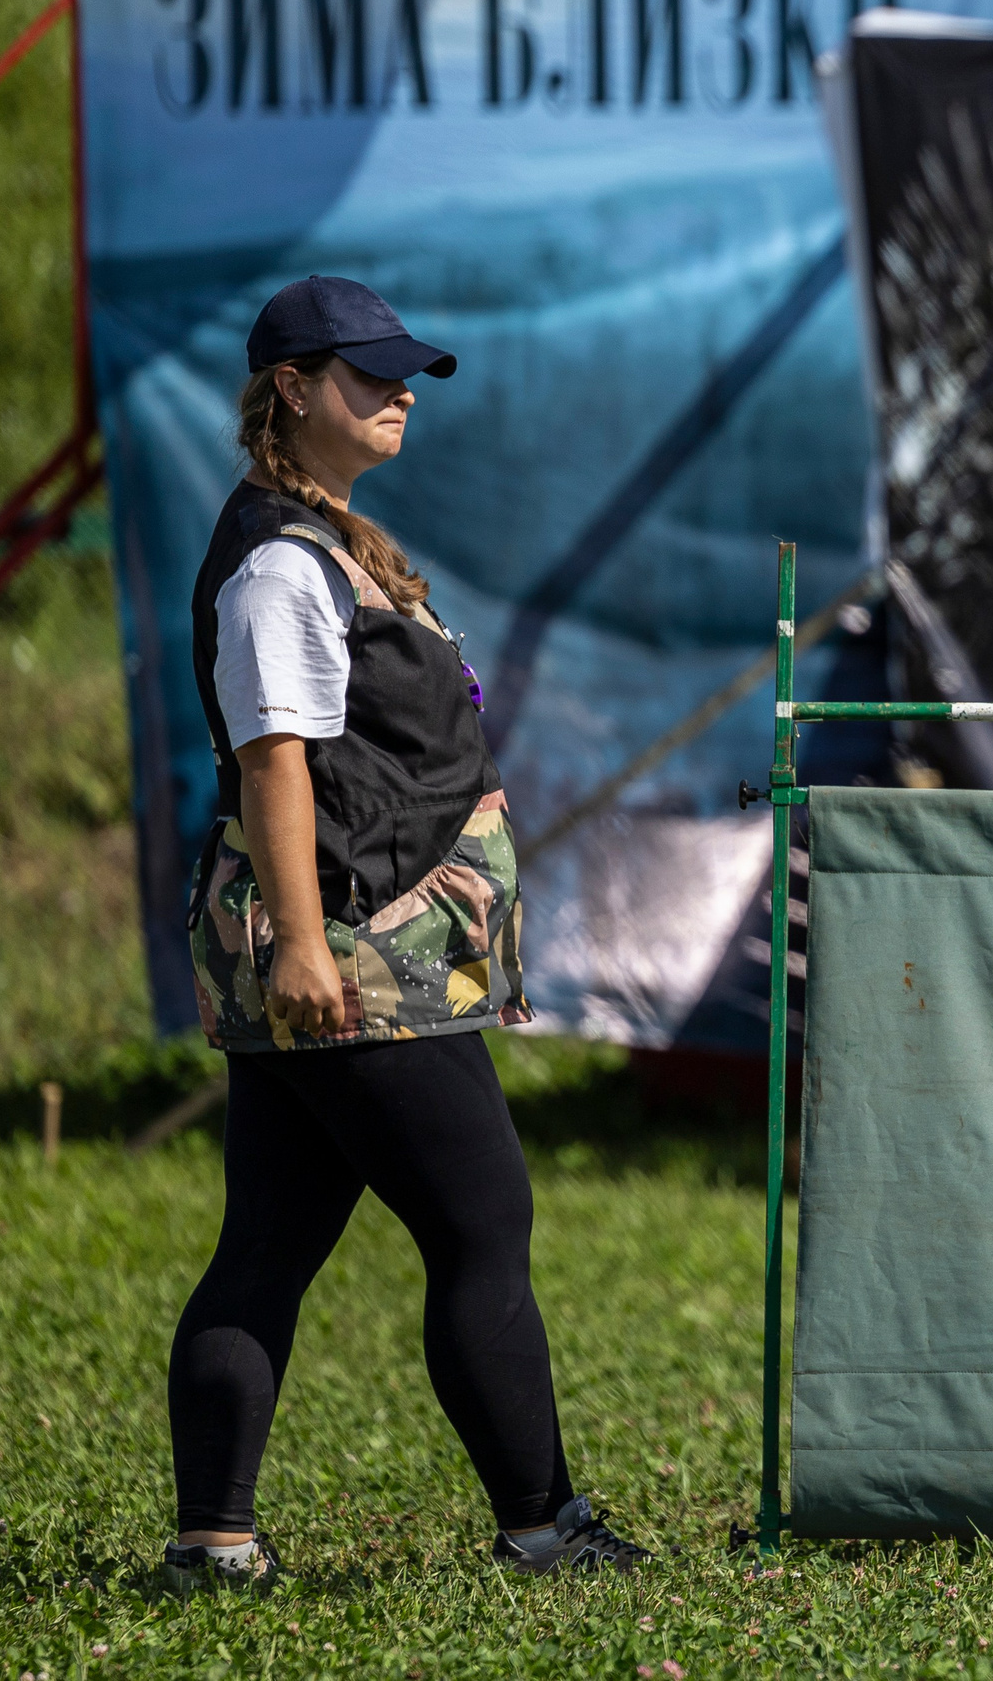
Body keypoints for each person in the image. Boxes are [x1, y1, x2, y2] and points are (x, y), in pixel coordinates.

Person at [162, 276, 646, 1591]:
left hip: (353, 943)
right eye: (368, 375)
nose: (398, 396)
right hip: (354, 955)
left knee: (267, 1241)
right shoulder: (275, 564)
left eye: (405, 375)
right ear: (294, 390)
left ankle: (216, 1543)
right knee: (483, 1221)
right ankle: (545, 1529)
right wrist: (309, 951)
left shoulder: (327, 540)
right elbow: (274, 767)